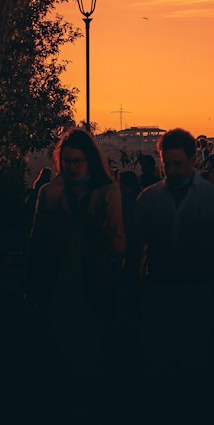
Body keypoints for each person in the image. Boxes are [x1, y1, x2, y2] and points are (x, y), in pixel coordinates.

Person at [129, 127, 214, 359]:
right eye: (166, 164)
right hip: (160, 296)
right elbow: (135, 250)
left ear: (193, 160)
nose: (170, 171)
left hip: (201, 295)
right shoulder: (148, 199)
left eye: (177, 164)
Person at [27, 128, 125, 336]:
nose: (72, 167)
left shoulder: (107, 194)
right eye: (67, 161)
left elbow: (119, 244)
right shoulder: (50, 193)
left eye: (78, 161)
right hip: (55, 282)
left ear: (89, 161)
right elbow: (37, 241)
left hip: (93, 284)